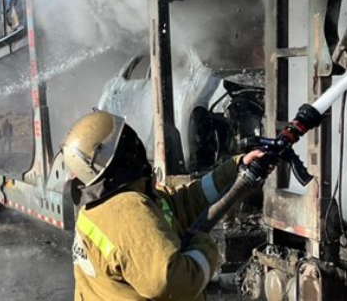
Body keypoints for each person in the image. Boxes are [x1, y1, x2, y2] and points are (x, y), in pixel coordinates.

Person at [62, 111, 269, 301]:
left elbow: (183, 202)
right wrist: (204, 246)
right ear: (121, 156)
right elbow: (173, 283)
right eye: (127, 140)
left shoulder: (106, 206)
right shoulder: (126, 211)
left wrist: (235, 168)